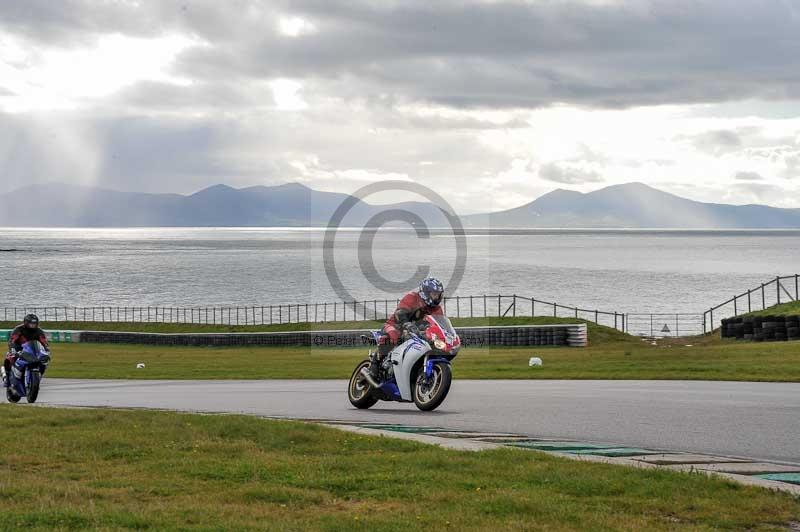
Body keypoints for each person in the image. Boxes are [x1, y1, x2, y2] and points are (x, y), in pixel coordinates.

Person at [370, 277, 444, 379]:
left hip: (416, 333)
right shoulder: (412, 297)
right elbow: (400, 313)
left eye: (438, 294)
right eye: (434, 294)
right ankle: (375, 362)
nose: (437, 297)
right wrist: (407, 324)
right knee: (394, 335)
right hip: (394, 325)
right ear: (426, 292)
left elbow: (439, 325)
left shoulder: (437, 309)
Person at [4, 314, 49, 388]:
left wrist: (47, 349)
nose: (33, 326)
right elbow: (12, 340)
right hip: (19, 349)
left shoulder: (39, 331)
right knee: (9, 358)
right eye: (31, 324)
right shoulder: (19, 329)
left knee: (43, 362)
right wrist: (12, 349)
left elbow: (44, 341)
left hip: (33, 350)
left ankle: (37, 378)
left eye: (34, 324)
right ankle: (8, 378)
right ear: (26, 323)